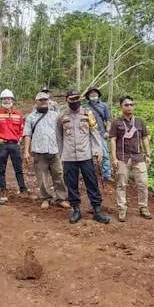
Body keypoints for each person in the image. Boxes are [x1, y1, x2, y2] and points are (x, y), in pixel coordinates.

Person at [57, 89, 110, 224]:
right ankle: (76, 210)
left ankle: (97, 210)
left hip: (86, 154)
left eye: (77, 99)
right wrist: (60, 154)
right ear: (67, 100)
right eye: (71, 99)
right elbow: (59, 137)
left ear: (80, 100)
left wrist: (98, 150)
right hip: (69, 156)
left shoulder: (88, 113)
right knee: (71, 183)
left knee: (91, 182)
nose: (74, 102)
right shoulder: (61, 116)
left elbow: (94, 132)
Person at [23, 92, 70, 209]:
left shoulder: (56, 115)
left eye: (45, 100)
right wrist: (26, 151)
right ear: (36, 102)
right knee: (42, 177)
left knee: (58, 175)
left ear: (49, 101)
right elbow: (27, 134)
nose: (43, 102)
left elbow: (64, 129)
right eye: (41, 100)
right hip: (39, 151)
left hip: (55, 151)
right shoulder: (31, 117)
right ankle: (45, 198)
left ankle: (61, 198)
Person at [109, 95, 152, 222]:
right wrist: (114, 158)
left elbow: (144, 138)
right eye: (126, 105)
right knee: (121, 184)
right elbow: (112, 140)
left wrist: (148, 155)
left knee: (143, 184)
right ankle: (122, 209)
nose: (129, 107)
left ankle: (143, 207)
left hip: (138, 157)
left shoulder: (139, 122)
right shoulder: (116, 123)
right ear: (121, 107)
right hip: (122, 157)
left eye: (131, 104)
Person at [0, 89, 28, 201]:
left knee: (18, 168)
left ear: (12, 100)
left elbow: (22, 129)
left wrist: (20, 139)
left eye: (9, 98)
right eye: (4, 99)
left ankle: (23, 188)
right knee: (2, 168)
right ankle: (3, 190)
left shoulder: (18, 114)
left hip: (15, 144)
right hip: (2, 145)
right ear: (1, 100)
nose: (7, 100)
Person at [84, 87, 114, 182]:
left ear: (98, 95)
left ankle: (107, 174)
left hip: (100, 133)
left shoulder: (104, 106)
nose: (93, 96)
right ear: (88, 96)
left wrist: (107, 131)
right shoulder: (85, 107)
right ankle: (90, 174)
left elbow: (108, 119)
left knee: (105, 154)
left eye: (95, 94)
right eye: (91, 94)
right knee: (88, 155)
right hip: (87, 134)